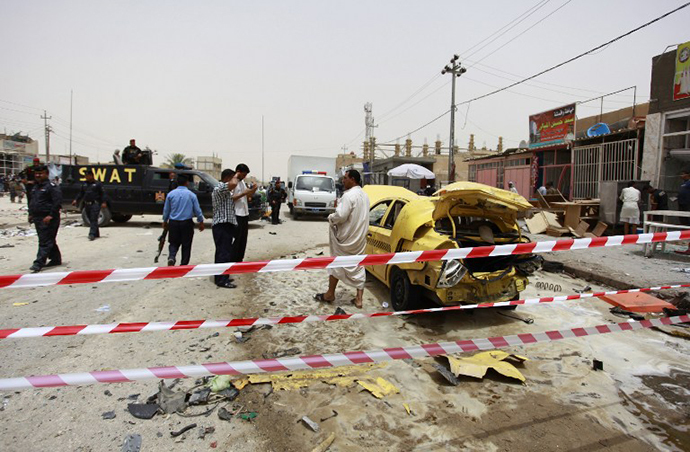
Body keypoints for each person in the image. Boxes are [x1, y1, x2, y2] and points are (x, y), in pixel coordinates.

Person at [314, 169, 370, 309]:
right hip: (359, 238)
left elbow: (341, 215)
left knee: (336, 264)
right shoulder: (365, 195)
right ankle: (359, 299)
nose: (343, 181)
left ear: (352, 179)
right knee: (358, 265)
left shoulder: (348, 196)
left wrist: (331, 217)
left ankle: (330, 294)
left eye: (345, 178)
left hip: (346, 239)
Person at [162, 174, 205, 266]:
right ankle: (183, 264)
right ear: (187, 183)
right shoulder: (191, 195)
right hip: (187, 223)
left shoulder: (171, 194)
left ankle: (172, 257)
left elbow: (166, 210)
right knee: (186, 244)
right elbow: (197, 210)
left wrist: (165, 221)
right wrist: (200, 221)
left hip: (173, 222)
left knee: (173, 242)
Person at [28, 165, 62, 272]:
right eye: (36, 174)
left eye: (40, 173)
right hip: (38, 218)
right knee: (48, 239)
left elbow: (57, 202)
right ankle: (56, 258)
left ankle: (38, 263)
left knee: (45, 241)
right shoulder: (35, 187)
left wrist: (51, 215)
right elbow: (33, 202)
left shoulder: (51, 186)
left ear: (46, 174)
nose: (38, 175)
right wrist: (31, 214)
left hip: (49, 218)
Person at [212, 169, 239, 288]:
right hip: (222, 225)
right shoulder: (220, 187)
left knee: (225, 253)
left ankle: (223, 276)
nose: (236, 180)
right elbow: (233, 184)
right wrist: (237, 175)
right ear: (228, 177)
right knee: (223, 253)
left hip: (226, 225)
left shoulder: (225, 191)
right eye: (234, 177)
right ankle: (221, 280)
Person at [230, 163, 258, 262]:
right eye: (244, 174)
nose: (245, 177)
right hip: (237, 214)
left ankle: (239, 260)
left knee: (242, 240)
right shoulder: (233, 183)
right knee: (236, 239)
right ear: (238, 172)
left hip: (244, 214)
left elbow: (247, 196)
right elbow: (230, 198)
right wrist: (243, 193)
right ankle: (232, 260)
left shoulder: (242, 183)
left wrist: (253, 190)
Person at [72, 170, 107, 240]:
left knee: (94, 218)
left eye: (87, 176)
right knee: (91, 219)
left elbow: (103, 194)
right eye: (85, 176)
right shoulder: (84, 184)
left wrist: (104, 202)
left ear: (91, 175)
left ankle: (91, 234)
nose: (86, 177)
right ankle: (96, 233)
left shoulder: (98, 184)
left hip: (95, 204)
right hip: (87, 204)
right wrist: (76, 200)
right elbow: (81, 193)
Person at [676, 169, 690, 255]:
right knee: (684, 224)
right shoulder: (684, 183)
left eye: (683, 174)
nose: (681, 176)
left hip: (688, 206)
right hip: (682, 205)